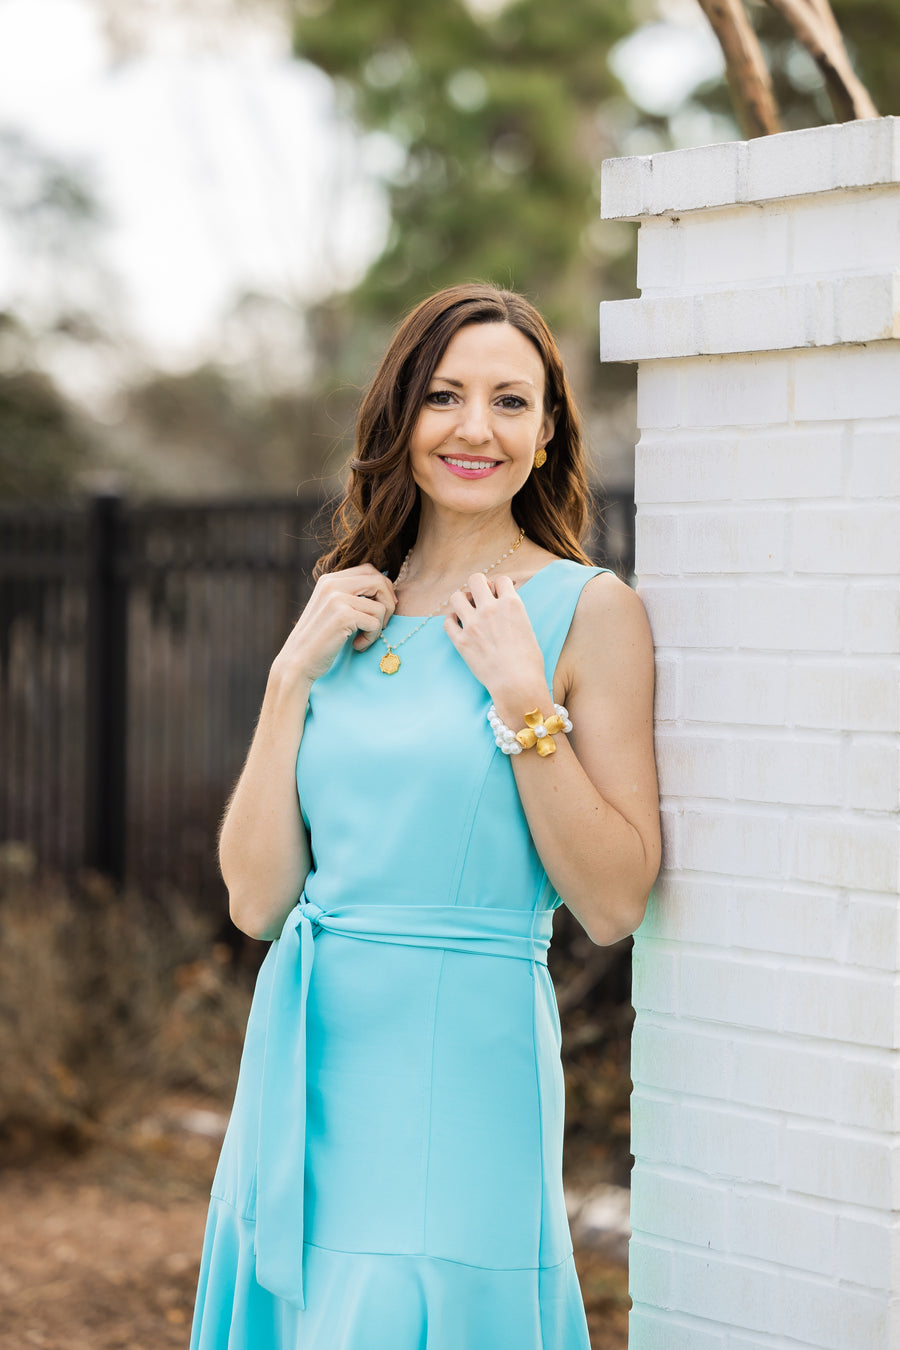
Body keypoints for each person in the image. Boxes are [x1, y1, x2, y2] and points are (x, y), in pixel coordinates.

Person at [189, 282, 660, 1350]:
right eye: (445, 396)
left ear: (547, 436)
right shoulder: (344, 605)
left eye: (510, 401)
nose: (474, 428)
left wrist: (525, 705)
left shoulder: (590, 610)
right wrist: (288, 679)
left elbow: (615, 898)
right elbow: (259, 900)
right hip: (307, 1056)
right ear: (400, 421)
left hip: (462, 1065)